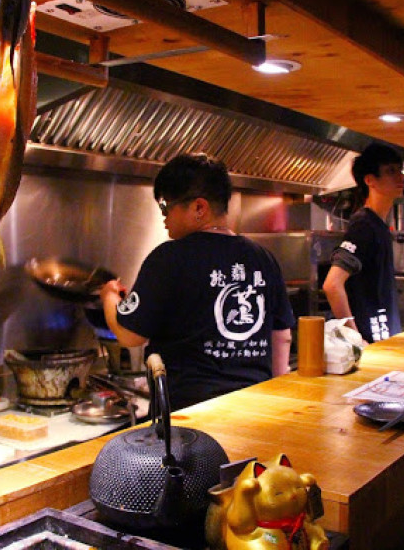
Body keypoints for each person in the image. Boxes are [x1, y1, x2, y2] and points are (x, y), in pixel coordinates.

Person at [100, 153, 295, 411]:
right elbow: (281, 337)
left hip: (189, 415)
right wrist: (275, 397)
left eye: (166, 206)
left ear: (199, 208)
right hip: (255, 408)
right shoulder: (263, 258)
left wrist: (109, 296)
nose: (164, 216)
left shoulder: (169, 257)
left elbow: (129, 335)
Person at [322, 143, 404, 344]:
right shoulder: (364, 225)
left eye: (399, 170)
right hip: (372, 343)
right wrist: (356, 338)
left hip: (384, 340)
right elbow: (332, 285)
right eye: (390, 171)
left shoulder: (378, 225)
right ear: (369, 180)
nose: (400, 177)